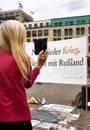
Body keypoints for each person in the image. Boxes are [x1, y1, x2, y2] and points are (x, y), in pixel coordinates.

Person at [0, 20, 48, 130]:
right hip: (19, 117)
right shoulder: (22, 59)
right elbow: (28, 83)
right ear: (20, 37)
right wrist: (39, 66)